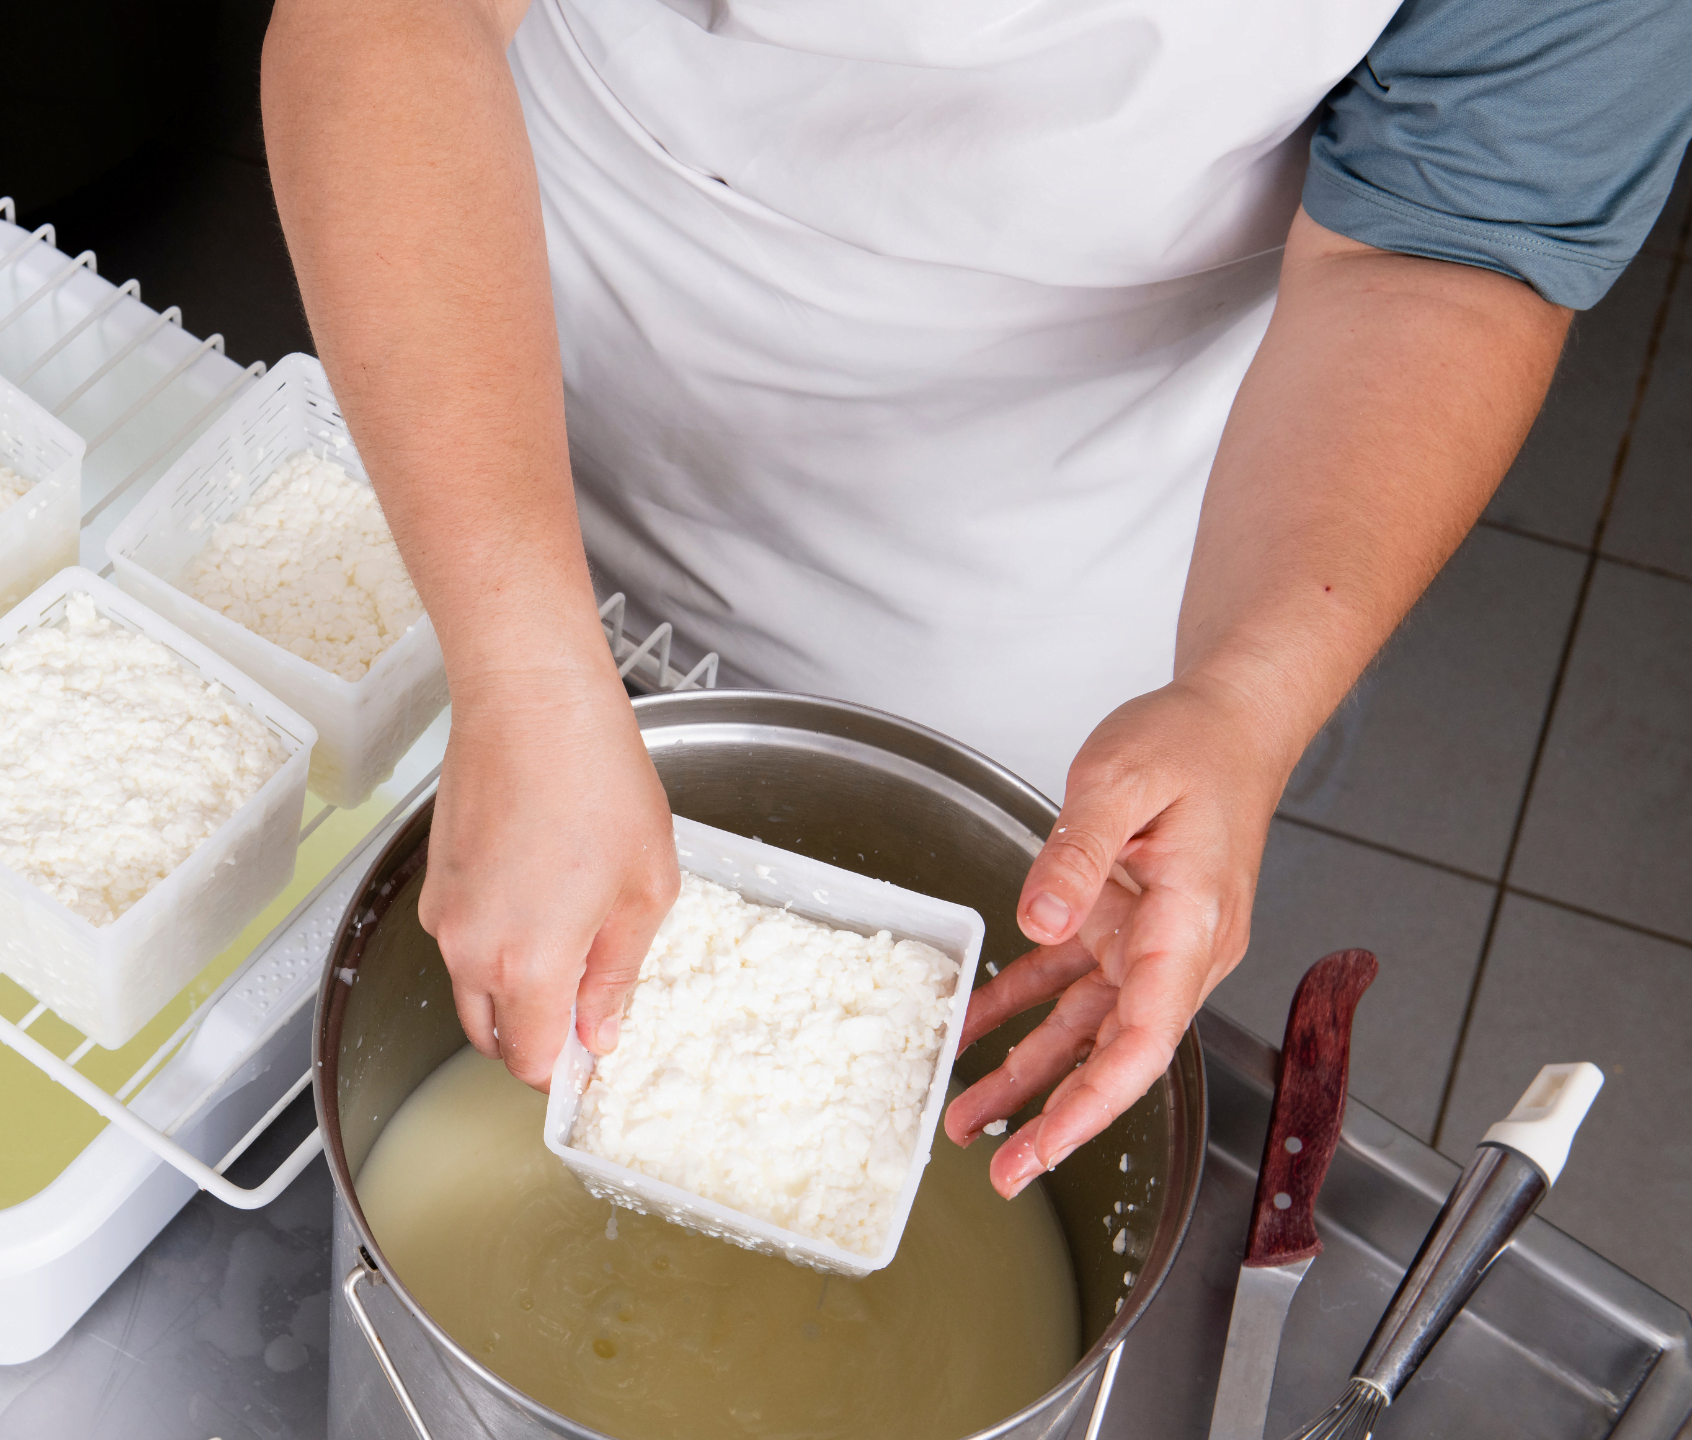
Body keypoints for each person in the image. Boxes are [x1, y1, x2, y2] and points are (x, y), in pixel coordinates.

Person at [260, 0, 1692, 1197]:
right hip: (509, 325)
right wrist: (521, 655)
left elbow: (1437, 243)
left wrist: (1244, 693)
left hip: (1045, 542)